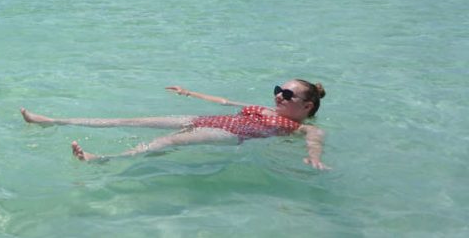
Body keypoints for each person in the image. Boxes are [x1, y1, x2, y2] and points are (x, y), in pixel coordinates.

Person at [20, 79, 329, 169]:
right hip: (210, 119)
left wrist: (313, 158)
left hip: (232, 133)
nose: (278, 95)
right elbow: (223, 102)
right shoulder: (262, 107)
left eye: (286, 94)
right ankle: (53, 121)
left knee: (171, 141)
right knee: (133, 121)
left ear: (306, 106)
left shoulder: (304, 127)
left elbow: (314, 139)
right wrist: (189, 92)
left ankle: (102, 160)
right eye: (278, 89)